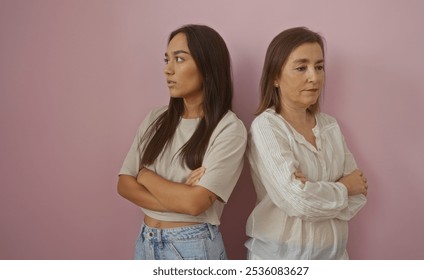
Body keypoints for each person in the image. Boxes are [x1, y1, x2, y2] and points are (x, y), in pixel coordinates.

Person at [117, 24, 247, 260]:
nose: (168, 70)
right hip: (145, 242)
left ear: (207, 66)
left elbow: (195, 204)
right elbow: (124, 184)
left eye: (179, 59)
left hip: (192, 245)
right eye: (167, 60)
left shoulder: (229, 128)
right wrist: (180, 197)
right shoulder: (155, 119)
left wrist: (145, 176)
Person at [245, 27, 368, 260]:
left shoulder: (330, 126)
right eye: (301, 68)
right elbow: (297, 201)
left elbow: (359, 195)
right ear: (275, 77)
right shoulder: (267, 127)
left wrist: (312, 189)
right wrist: (343, 187)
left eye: (319, 67)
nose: (314, 77)